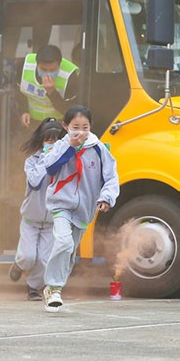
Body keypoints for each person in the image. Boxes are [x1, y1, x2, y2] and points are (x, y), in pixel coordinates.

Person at [41, 105, 119, 313]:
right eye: (76, 127)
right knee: (64, 242)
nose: (81, 132)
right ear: (66, 126)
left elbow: (111, 177)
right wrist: (69, 147)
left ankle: (55, 287)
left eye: (85, 127)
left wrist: (106, 198)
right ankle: (53, 289)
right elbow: (49, 167)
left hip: (84, 209)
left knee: (69, 252)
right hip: (60, 204)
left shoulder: (98, 148)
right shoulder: (59, 146)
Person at [8, 118, 65, 301]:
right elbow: (34, 182)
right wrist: (46, 162)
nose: (52, 144)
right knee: (28, 256)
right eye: (49, 140)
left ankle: (33, 288)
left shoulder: (65, 163)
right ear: (41, 141)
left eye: (56, 140)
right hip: (30, 220)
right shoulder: (32, 162)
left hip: (51, 222)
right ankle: (19, 264)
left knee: (44, 260)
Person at [16, 44, 79, 129]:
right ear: (37, 65)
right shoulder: (25, 66)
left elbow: (71, 111)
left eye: (53, 70)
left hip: (58, 124)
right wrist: (23, 111)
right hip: (32, 122)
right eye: (43, 69)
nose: (48, 74)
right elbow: (19, 91)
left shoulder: (70, 75)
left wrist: (52, 92)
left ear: (59, 66)